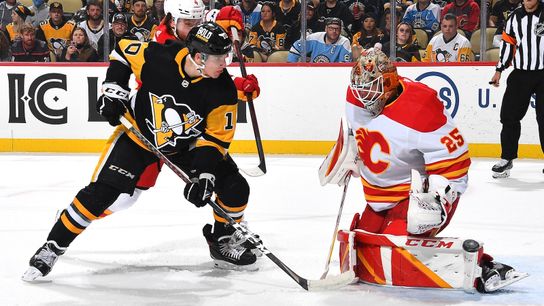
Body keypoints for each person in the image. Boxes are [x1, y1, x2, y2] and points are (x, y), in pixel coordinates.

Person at [22, 22, 261, 283]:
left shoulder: (223, 89)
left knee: (235, 187)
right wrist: (114, 90)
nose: (225, 63)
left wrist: (204, 176)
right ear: (199, 57)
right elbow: (122, 51)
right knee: (104, 195)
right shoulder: (160, 57)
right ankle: (53, 246)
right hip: (139, 135)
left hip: (184, 144)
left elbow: (215, 140)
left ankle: (222, 240)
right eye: (219, 58)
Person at [334, 47, 521, 293]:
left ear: (389, 82)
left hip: (409, 198)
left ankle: (483, 266)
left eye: (370, 87)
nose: (363, 95)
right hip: (379, 200)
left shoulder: (420, 106)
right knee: (359, 247)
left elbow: (456, 159)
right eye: (360, 87)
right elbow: (355, 132)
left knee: (398, 251)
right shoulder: (356, 93)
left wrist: (437, 199)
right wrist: (350, 153)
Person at [489, 0, 544, 178]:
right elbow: (508, 44)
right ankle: (507, 158)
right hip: (520, 73)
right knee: (508, 116)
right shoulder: (514, 17)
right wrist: (499, 69)